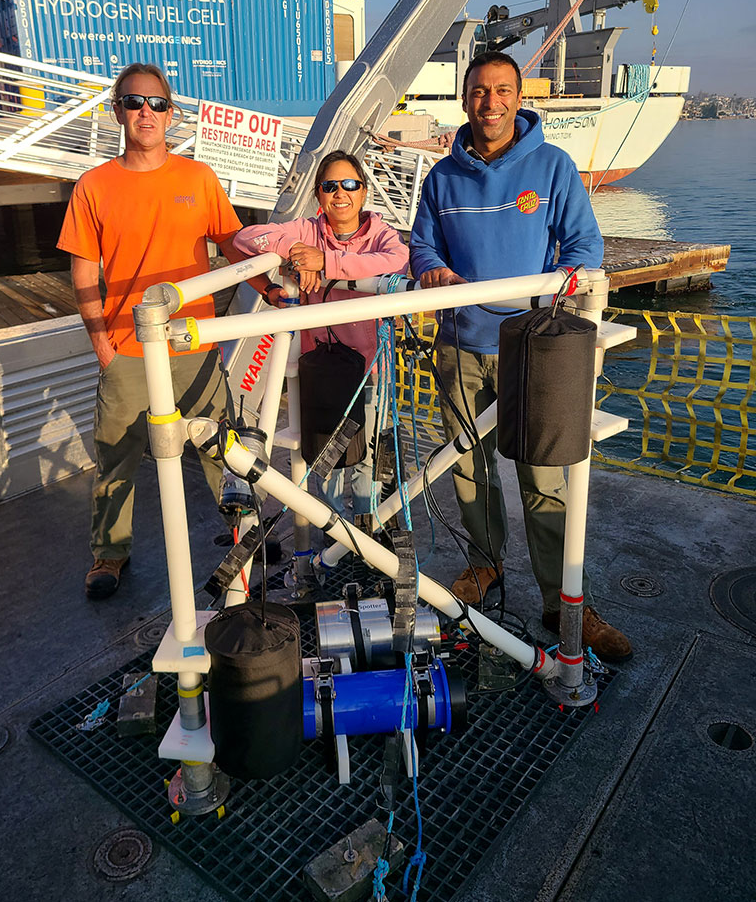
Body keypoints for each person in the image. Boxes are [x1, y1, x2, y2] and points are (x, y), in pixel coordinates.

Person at [409, 51, 631, 661]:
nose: (491, 102)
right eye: (480, 91)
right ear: (465, 99)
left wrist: (559, 284)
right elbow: (422, 247)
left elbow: (585, 245)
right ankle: (486, 567)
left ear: (518, 97)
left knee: (543, 473)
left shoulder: (552, 167)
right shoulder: (441, 178)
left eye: (502, 90)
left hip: (532, 348)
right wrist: (432, 273)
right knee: (465, 464)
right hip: (460, 345)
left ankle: (565, 600)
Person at [58, 62, 272, 599]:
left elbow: (234, 243)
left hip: (193, 342)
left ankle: (245, 535)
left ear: (171, 113)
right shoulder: (93, 186)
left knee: (221, 449)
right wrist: (102, 346)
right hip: (127, 349)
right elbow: (84, 271)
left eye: (155, 103)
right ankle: (110, 554)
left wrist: (281, 286)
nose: (145, 112)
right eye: (133, 102)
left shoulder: (197, 178)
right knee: (116, 456)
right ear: (118, 112)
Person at [232, 150, 409, 529]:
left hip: (370, 370)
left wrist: (326, 263)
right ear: (318, 195)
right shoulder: (306, 230)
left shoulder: (382, 233)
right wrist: (297, 256)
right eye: (331, 186)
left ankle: (365, 537)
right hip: (323, 369)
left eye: (350, 185)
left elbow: (395, 262)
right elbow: (247, 238)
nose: (340, 193)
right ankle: (335, 538)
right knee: (325, 460)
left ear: (363, 193)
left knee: (366, 458)